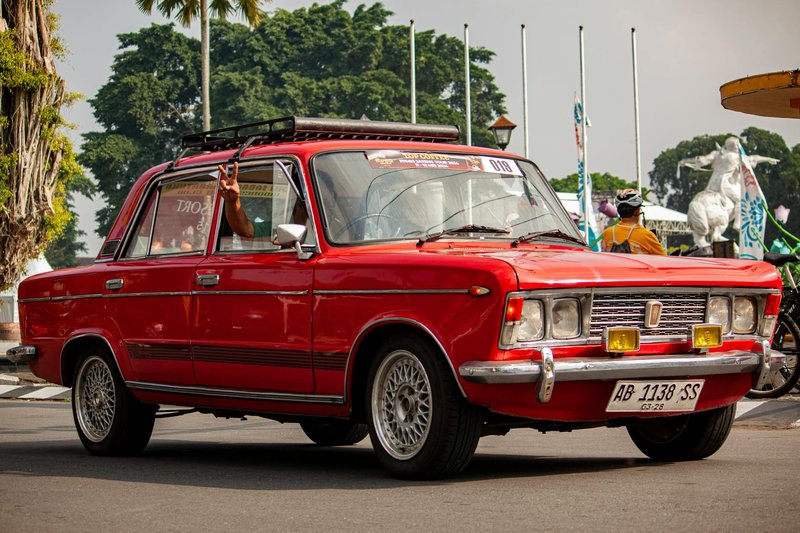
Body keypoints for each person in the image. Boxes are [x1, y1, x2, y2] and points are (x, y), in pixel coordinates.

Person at [602, 189, 666, 255]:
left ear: (619, 211)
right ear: (637, 211)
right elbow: (664, 259)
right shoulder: (647, 235)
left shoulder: (607, 233)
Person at [218, 162, 268, 238]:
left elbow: (246, 231)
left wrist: (233, 201)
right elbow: (246, 230)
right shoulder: (272, 228)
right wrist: (232, 202)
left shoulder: (280, 229)